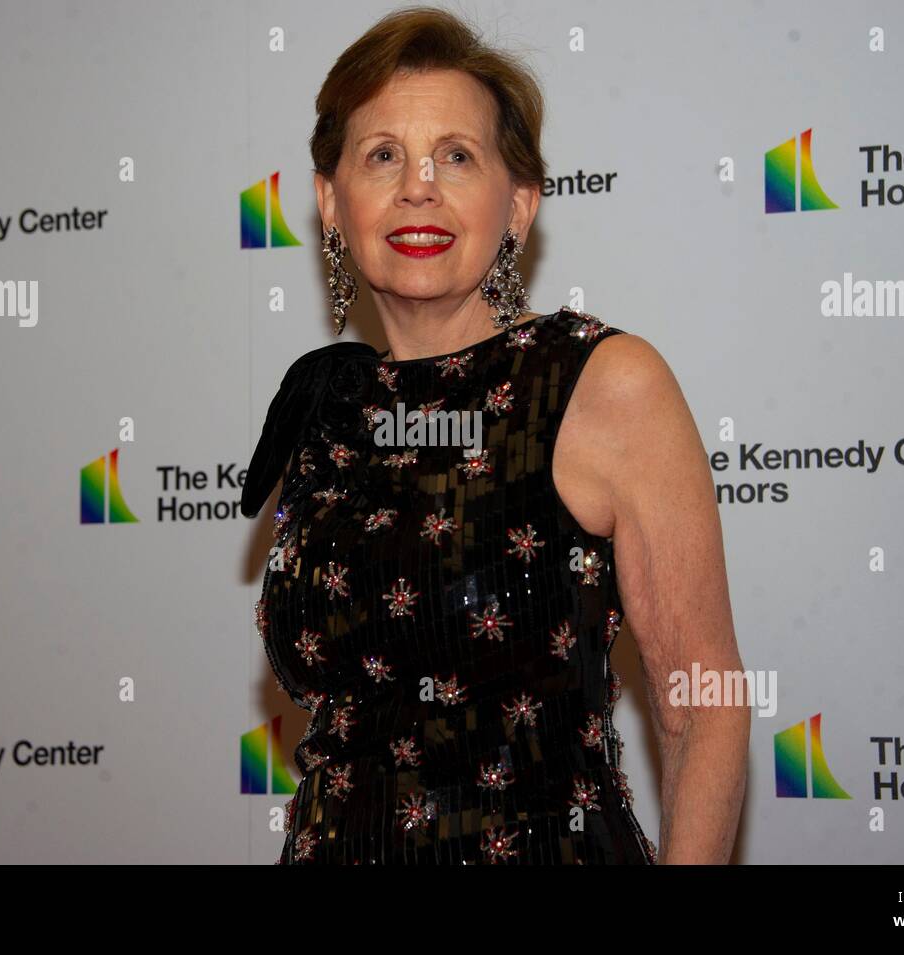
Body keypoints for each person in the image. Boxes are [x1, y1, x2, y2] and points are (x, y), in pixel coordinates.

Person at [241, 6, 747, 864]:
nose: (418, 186)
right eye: (382, 155)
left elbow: (704, 700)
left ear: (518, 205)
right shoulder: (326, 410)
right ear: (331, 202)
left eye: (457, 155)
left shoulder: (598, 384)